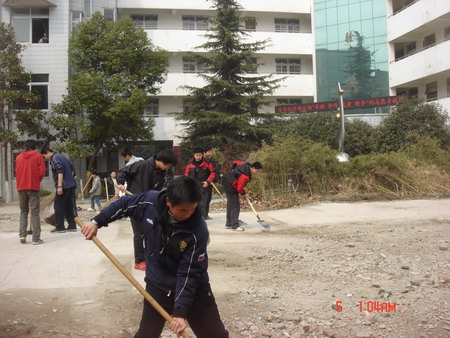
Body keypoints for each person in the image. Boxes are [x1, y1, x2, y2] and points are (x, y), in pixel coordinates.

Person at [81, 176, 229, 338]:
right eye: (182, 210)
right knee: (147, 334)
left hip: (193, 289)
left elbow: (188, 273)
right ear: (168, 201)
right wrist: (96, 222)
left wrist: (180, 312)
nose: (188, 215)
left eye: (192, 209)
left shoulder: (197, 231)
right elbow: (123, 205)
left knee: (215, 334)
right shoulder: (151, 202)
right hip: (158, 282)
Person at [117, 149, 178, 271]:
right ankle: (139, 260)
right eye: (168, 165)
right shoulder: (142, 164)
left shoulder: (160, 172)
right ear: (162, 161)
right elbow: (122, 171)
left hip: (149, 204)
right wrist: (120, 183)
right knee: (139, 233)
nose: (168, 168)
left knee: (151, 231)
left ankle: (150, 257)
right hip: (135, 203)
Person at [15, 139, 46, 245]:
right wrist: (36, 181)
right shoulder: (38, 156)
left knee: (23, 211)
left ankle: (22, 235)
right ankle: (36, 239)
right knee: (35, 212)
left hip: (21, 187)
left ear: (25, 147)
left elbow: (17, 172)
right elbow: (42, 171)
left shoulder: (18, 157)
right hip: (33, 187)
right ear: (35, 147)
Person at [41, 146, 78, 233]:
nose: (45, 159)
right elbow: (72, 170)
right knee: (69, 206)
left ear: (47, 152)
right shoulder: (62, 156)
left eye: (44, 156)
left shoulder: (54, 159)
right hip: (71, 185)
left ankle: (60, 227)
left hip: (64, 186)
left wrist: (60, 186)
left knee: (58, 206)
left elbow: (60, 172)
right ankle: (72, 225)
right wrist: (70, 179)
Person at [223, 162, 263, 231]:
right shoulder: (245, 176)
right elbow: (239, 188)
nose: (257, 173)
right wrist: (244, 193)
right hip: (231, 187)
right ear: (253, 168)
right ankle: (235, 225)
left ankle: (229, 223)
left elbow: (236, 162)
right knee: (235, 206)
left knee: (231, 205)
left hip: (228, 183)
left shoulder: (246, 165)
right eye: (257, 171)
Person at [184, 147, 215, 219]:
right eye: (196, 155)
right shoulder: (190, 163)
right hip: (193, 186)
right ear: (194, 155)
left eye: (199, 155)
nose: (198, 157)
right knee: (193, 202)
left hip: (204, 185)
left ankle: (202, 218)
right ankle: (193, 218)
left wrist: (207, 181)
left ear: (202, 155)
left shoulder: (207, 162)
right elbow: (186, 174)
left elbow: (212, 173)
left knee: (203, 203)